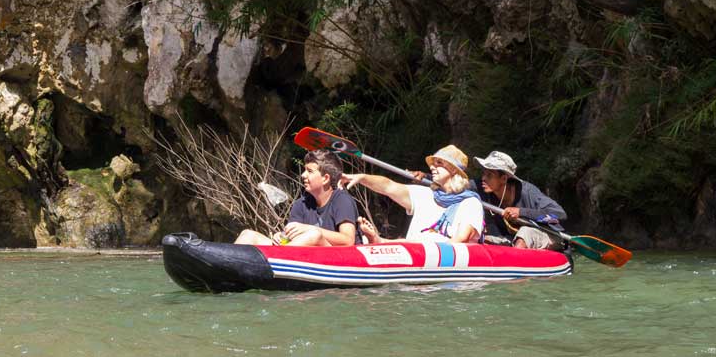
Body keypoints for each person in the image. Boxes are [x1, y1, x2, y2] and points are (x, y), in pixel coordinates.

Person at [344, 145, 484, 244]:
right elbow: (388, 186)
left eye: (439, 163)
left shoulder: (470, 203)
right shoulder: (425, 194)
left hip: (445, 267)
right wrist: (362, 178)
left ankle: (382, 241)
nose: (432, 167)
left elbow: (461, 239)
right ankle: (379, 241)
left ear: (454, 170)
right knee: (367, 241)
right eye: (432, 163)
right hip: (416, 257)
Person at [234, 149, 358, 246]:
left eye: (310, 171)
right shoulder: (301, 203)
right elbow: (291, 237)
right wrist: (281, 236)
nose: (303, 175)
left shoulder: (342, 200)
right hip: (300, 254)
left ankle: (279, 259)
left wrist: (309, 229)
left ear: (325, 178)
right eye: (304, 170)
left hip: (337, 259)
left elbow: (348, 240)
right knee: (248, 235)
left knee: (314, 235)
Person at [472, 150, 567, 250]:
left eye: (489, 175)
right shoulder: (484, 187)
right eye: (483, 174)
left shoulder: (528, 192)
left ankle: (514, 258)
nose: (483, 178)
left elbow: (559, 214)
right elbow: (464, 185)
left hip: (548, 235)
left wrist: (521, 212)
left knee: (524, 234)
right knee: (484, 239)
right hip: (513, 237)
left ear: (503, 179)